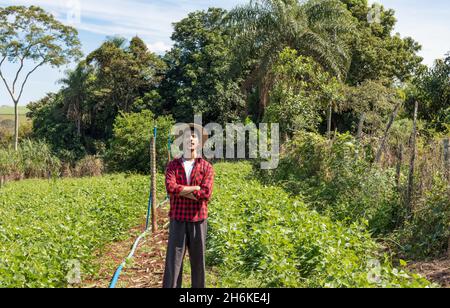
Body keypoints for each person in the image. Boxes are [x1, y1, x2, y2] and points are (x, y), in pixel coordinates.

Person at [162, 123, 214, 288]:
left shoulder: (206, 167)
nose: (190, 139)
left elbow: (205, 193)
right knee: (173, 262)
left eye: (194, 137)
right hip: (178, 219)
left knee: (198, 262)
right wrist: (194, 189)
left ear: (198, 143)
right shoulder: (173, 166)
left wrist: (181, 191)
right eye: (187, 137)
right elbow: (170, 188)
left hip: (198, 220)